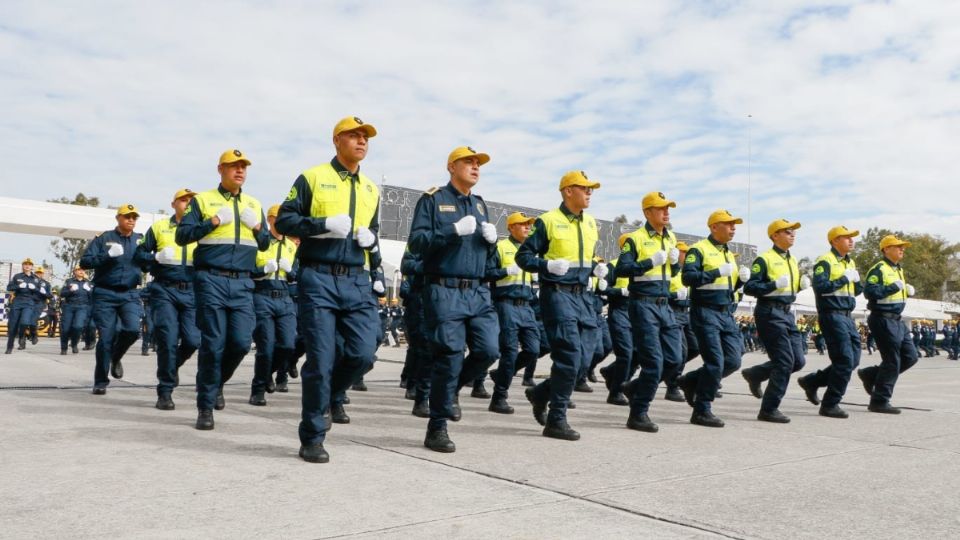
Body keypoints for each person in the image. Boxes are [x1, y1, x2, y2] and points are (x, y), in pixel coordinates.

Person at [275, 116, 382, 463]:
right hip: (318, 276)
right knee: (321, 360)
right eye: (354, 136)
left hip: (355, 278)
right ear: (337, 141)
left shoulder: (370, 189)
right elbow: (286, 219)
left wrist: (372, 240)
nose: (361, 141)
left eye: (365, 137)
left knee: (364, 353)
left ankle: (331, 395)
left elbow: (373, 230)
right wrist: (322, 226)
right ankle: (313, 435)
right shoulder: (313, 177)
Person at [408, 145, 500, 453]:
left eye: (478, 163)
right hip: (444, 289)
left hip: (477, 290)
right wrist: (452, 230)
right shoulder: (434, 199)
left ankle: (450, 392)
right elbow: (418, 243)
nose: (475, 167)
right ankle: (437, 428)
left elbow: (482, 254)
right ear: (451, 167)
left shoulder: (481, 204)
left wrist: (492, 244)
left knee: (489, 350)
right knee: (448, 356)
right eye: (468, 162)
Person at [176, 149, 271, 429]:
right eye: (233, 166)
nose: (239, 171)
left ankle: (216, 383)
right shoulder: (204, 201)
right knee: (214, 344)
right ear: (220, 169)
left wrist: (256, 227)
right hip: (211, 279)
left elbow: (265, 243)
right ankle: (205, 406)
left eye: (243, 167)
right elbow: (183, 236)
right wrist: (213, 221)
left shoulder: (254, 204)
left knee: (241, 343)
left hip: (243, 282)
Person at [517, 170, 604, 441]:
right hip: (557, 294)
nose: (589, 193)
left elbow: (583, 259)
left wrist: (596, 269)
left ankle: (540, 393)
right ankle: (557, 419)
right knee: (568, 354)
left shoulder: (591, 223)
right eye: (584, 188)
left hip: (583, 296)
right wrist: (546, 265)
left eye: (591, 189)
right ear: (568, 191)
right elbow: (524, 256)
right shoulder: (548, 221)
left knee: (585, 357)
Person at [677, 209, 752, 428]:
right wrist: (716, 272)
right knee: (715, 361)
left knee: (733, 360)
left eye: (734, 224)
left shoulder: (728, 253)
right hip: (705, 310)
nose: (733, 228)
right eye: (728, 224)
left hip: (725, 311)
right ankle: (702, 410)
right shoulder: (699, 250)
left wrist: (740, 283)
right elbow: (688, 277)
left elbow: (726, 287)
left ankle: (690, 381)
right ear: (713, 227)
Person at [616, 191, 683, 433]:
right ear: (647, 212)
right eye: (660, 208)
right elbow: (622, 270)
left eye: (668, 208)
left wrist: (675, 264)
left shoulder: (671, 237)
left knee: (675, 359)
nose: (666, 212)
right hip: (643, 304)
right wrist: (649, 262)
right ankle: (638, 413)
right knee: (654, 362)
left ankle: (635, 388)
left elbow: (671, 275)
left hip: (664, 304)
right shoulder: (635, 239)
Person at [134, 188, 202, 410]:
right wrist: (155, 257)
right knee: (167, 340)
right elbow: (139, 255)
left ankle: (172, 368)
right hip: (165, 290)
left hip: (192, 290)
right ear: (173, 204)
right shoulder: (160, 227)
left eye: (192, 201)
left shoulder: (202, 230)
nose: (188, 203)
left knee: (193, 340)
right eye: (184, 200)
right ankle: (165, 391)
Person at [741, 219, 810, 423]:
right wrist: (772, 285)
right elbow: (750, 288)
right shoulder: (765, 259)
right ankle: (769, 409)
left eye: (793, 232)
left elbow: (788, 289)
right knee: (784, 361)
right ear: (774, 236)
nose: (792, 234)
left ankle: (755, 374)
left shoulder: (792, 260)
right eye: (787, 231)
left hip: (787, 313)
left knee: (798, 361)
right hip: (769, 312)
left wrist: (799, 287)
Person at [796, 226, 863, 419]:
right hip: (832, 314)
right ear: (834, 241)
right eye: (846, 237)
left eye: (852, 238)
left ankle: (812, 381)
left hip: (847, 315)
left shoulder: (850, 262)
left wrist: (857, 283)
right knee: (844, 360)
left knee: (854, 360)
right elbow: (821, 287)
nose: (851, 240)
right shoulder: (825, 261)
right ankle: (830, 403)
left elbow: (854, 291)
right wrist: (844, 279)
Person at [80, 204, 145, 394]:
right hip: (105, 293)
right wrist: (107, 255)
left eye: (134, 217)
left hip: (130, 293)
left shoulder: (140, 240)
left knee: (133, 330)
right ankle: (100, 381)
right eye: (127, 216)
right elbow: (85, 262)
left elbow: (148, 262)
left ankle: (116, 357)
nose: (131, 220)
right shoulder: (104, 238)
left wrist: (156, 257)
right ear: (118, 218)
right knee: (106, 339)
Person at [858, 235, 919, 414]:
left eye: (903, 247)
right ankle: (879, 400)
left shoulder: (898, 269)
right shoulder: (879, 268)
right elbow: (869, 292)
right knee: (892, 360)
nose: (902, 249)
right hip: (882, 318)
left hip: (897, 319)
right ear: (886, 249)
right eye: (897, 246)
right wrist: (893, 287)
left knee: (910, 357)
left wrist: (905, 292)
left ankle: (871, 375)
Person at [487, 212, 541, 414]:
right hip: (505, 304)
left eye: (529, 225)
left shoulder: (529, 251)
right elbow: (487, 272)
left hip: (526, 305)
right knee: (509, 352)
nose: (527, 228)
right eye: (523, 224)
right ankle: (499, 397)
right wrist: (505, 271)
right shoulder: (501, 247)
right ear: (511, 227)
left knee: (533, 350)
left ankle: (501, 374)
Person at [248, 204, 299, 407]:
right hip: (263, 295)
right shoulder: (260, 242)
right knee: (266, 348)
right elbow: (250, 270)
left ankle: (268, 372)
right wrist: (263, 269)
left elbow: (296, 274)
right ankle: (258, 390)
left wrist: (290, 271)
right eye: (279, 217)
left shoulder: (291, 245)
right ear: (270, 219)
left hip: (285, 297)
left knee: (288, 345)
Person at [599, 233, 633, 406]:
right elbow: (604, 290)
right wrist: (620, 292)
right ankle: (616, 392)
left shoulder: (639, 266)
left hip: (637, 311)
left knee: (637, 354)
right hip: (619, 311)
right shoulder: (613, 265)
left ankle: (610, 372)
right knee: (626, 354)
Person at [663, 241, 699, 401]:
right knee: (681, 352)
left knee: (695, 347)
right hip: (673, 311)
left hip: (687, 313)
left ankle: (670, 373)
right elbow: (661, 292)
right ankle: (673, 384)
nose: (685, 255)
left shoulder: (687, 272)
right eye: (683, 252)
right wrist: (675, 295)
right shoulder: (670, 271)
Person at [5, 258, 44, 354]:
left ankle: (22, 336)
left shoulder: (36, 279)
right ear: (23, 266)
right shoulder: (17, 276)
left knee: (25, 322)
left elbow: (41, 293)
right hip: (17, 301)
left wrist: (35, 288)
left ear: (32, 267)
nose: (27, 266)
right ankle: (9, 346)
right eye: (25, 264)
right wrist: (18, 286)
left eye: (29, 264)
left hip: (29, 302)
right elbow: (9, 287)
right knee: (13, 326)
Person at [59, 266, 93, 355]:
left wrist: (89, 290)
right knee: (65, 328)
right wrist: (70, 290)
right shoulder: (69, 281)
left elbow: (94, 297)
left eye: (83, 270)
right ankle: (64, 348)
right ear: (74, 271)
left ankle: (74, 343)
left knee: (78, 326)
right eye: (79, 270)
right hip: (69, 306)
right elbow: (62, 294)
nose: (81, 271)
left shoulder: (88, 283)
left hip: (82, 307)